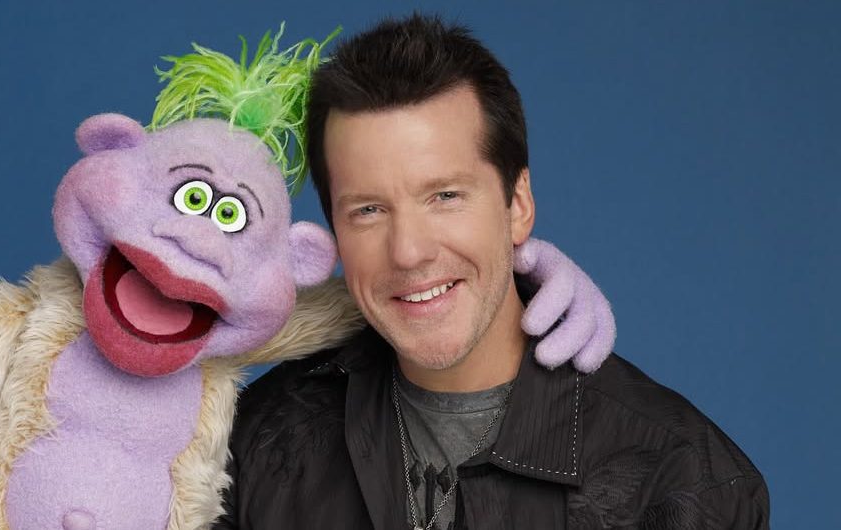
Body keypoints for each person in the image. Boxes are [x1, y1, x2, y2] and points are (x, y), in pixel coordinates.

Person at [215, 14, 769, 529]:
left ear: (518, 204)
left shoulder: (682, 480)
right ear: (332, 231)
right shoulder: (251, 443)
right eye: (368, 210)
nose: (408, 252)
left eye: (446, 196)